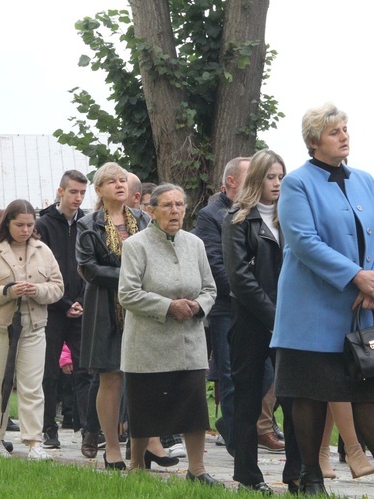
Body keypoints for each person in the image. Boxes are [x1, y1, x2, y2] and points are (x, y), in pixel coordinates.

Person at [270, 104, 374, 498]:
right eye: (335, 131)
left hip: (364, 308)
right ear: (314, 141)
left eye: (346, 129)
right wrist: (356, 277)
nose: (344, 136)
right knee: (310, 394)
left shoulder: (365, 180)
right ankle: (310, 478)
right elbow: (304, 242)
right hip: (312, 310)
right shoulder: (297, 184)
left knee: (370, 392)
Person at [118, 183, 221, 485]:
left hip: (189, 341)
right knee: (145, 407)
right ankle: (137, 465)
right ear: (151, 210)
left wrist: (198, 306)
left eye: (179, 205)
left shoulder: (195, 244)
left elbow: (210, 288)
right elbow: (127, 293)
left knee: (193, 406)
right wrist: (167, 306)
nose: (174, 211)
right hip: (147, 345)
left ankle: (197, 470)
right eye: (167, 205)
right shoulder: (136, 245)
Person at [76, 162, 166, 470]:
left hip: (141, 308)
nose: (119, 184)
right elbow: (89, 268)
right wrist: (129, 276)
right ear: (99, 190)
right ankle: (112, 446)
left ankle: (151, 442)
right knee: (111, 378)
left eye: (123, 180)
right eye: (111, 181)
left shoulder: (143, 219)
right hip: (105, 310)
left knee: (146, 377)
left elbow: (157, 256)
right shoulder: (88, 224)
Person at [221, 149, 300, 493]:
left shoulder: (294, 218)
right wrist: (272, 316)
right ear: (256, 179)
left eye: (281, 176)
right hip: (252, 321)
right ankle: (248, 476)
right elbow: (239, 278)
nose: (277, 183)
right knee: (248, 398)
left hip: (293, 320)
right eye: (271, 176)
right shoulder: (238, 219)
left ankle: (298, 472)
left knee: (295, 399)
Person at [0, 199, 64, 460]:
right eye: (19, 224)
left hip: (34, 326)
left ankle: (34, 442)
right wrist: (6, 291)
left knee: (32, 386)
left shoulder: (43, 250)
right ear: (7, 223)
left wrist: (38, 290)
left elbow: (57, 287)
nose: (25, 230)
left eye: (30, 225)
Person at [192, 156, 250, 454]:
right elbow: (216, 265)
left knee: (267, 374)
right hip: (228, 307)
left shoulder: (258, 212)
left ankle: (237, 425)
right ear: (231, 182)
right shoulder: (210, 216)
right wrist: (248, 291)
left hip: (256, 305)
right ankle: (236, 436)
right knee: (228, 374)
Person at [34, 169, 89, 450]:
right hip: (53, 309)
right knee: (49, 372)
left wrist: (80, 301)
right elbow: (40, 270)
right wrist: (64, 303)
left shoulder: (88, 224)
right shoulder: (44, 225)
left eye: (82, 192)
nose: (78, 198)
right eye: (73, 192)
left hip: (81, 307)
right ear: (61, 192)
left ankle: (87, 429)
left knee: (84, 370)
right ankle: (48, 428)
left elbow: (88, 266)